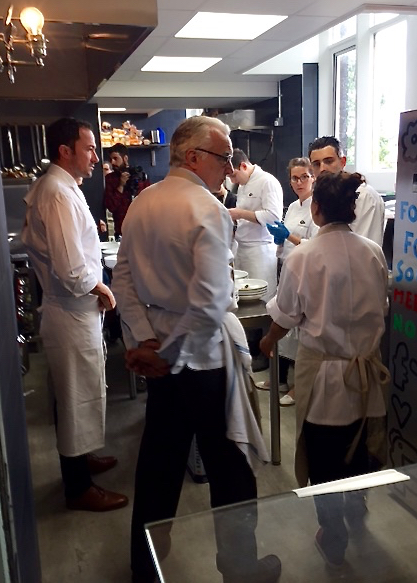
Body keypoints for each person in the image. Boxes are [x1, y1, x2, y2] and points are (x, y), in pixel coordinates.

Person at [112, 116, 280, 583]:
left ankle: (144, 568)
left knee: (159, 464)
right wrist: (166, 353)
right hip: (203, 358)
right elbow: (211, 301)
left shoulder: (143, 202)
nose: (229, 167)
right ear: (194, 157)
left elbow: (123, 278)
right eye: (223, 157)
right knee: (231, 468)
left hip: (162, 349)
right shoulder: (206, 207)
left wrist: (145, 339)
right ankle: (240, 569)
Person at [260, 171, 390, 569]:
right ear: (351, 210)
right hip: (365, 372)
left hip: (324, 378)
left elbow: (286, 314)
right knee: (360, 446)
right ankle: (357, 508)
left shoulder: (304, 256)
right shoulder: (373, 252)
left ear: (315, 209)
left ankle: (333, 538)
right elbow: (382, 305)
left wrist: (267, 341)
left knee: (325, 459)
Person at [21, 118, 128, 513]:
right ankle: (78, 487)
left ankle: (82, 456)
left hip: (73, 310)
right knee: (75, 397)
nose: (97, 157)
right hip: (70, 311)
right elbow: (70, 267)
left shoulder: (63, 187)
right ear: (65, 151)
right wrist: (102, 288)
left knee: (81, 392)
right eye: (89, 148)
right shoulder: (57, 193)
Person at [257, 157, 318, 402]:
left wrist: (289, 236)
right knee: (283, 323)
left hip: (308, 273)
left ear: (313, 178)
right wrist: (279, 239)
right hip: (288, 268)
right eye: (295, 178)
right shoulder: (292, 206)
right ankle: (280, 379)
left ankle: (298, 386)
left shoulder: (317, 207)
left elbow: (317, 246)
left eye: (304, 177)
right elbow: (286, 241)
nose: (299, 182)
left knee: (300, 330)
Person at [228, 149, 283, 301]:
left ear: (243, 166)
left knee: (261, 298)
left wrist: (240, 213)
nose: (233, 181)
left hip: (260, 250)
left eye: (234, 175)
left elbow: (273, 217)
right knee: (241, 297)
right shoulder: (242, 185)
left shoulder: (267, 181)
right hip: (241, 248)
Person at [308, 136, 385, 245]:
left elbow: (361, 247)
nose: (322, 169)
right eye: (316, 164)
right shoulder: (320, 196)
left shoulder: (363, 195)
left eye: (329, 161)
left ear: (342, 162)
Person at [103, 143, 150, 239]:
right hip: (121, 231)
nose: (112, 162)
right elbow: (111, 206)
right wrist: (121, 185)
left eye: (115, 158)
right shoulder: (110, 179)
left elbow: (150, 201)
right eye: (111, 159)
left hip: (142, 230)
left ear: (125, 158)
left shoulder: (139, 176)